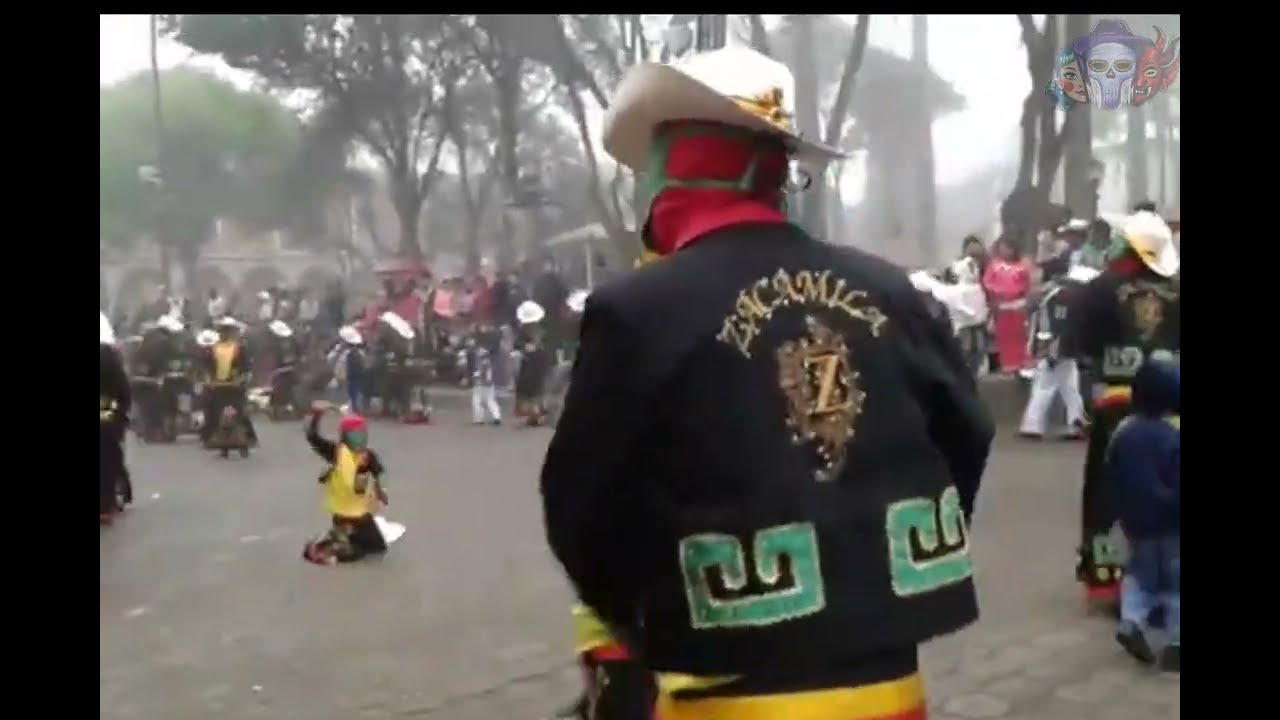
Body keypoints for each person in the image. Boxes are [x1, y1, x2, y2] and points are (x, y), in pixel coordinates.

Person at [541, 45, 993, 720]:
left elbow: (583, 505)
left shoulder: (639, 309)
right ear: (777, 176)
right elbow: (968, 431)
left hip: (724, 690)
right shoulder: (888, 289)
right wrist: (882, 554)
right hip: (890, 683)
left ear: (674, 175)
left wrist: (644, 615)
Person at [1061, 210, 1179, 611]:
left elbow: (1080, 342)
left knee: (1107, 488)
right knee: (1169, 486)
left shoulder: (1098, 289)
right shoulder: (1177, 289)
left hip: (1116, 403)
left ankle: (1108, 576)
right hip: (1171, 406)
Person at [1108, 358, 1179, 672]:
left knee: (1139, 578)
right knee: (1174, 584)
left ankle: (1131, 621)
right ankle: (1176, 644)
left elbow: (1110, 478)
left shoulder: (1122, 434)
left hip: (1136, 523)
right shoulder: (1172, 437)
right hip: (1172, 524)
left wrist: (1106, 518)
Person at [300, 403, 391, 565]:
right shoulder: (336, 452)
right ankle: (325, 546)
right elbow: (312, 436)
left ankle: (340, 538)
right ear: (345, 435)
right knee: (356, 554)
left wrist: (380, 492)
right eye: (354, 434)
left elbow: (377, 473)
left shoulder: (367, 455)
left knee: (377, 548)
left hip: (361, 513)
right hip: (343, 514)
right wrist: (316, 416)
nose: (359, 437)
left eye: (362, 433)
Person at [1019, 264, 1095, 439]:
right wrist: (1057, 349)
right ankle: (1033, 425)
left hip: (1052, 346)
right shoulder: (1065, 297)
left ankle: (1075, 422)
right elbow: (1061, 325)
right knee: (1047, 385)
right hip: (1057, 347)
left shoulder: (1057, 293)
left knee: (1068, 386)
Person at [201, 317, 258, 447]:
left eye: (228, 331)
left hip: (235, 387)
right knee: (211, 410)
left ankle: (250, 437)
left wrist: (241, 380)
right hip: (217, 386)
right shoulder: (212, 349)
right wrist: (208, 380)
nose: (225, 334)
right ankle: (208, 437)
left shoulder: (240, 349)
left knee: (241, 411)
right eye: (222, 331)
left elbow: (247, 369)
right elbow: (206, 368)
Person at [982, 236, 1032, 374]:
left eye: (1008, 248)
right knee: (1004, 336)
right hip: (1001, 306)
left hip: (1018, 306)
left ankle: (1022, 362)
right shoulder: (994, 265)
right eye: (1002, 248)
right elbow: (987, 282)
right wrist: (996, 292)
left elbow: (1027, 285)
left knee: (1019, 335)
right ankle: (1008, 364)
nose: (1005, 251)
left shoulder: (1022, 265)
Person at [101, 313, 133, 525]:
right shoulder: (108, 357)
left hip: (106, 418)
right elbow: (123, 391)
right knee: (108, 459)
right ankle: (106, 504)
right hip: (108, 418)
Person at [945, 235, 991, 376]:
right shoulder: (956, 268)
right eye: (971, 252)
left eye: (977, 253)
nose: (974, 256)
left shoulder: (986, 268)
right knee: (965, 349)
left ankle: (973, 375)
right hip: (963, 319)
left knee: (980, 348)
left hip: (981, 316)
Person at [469, 347, 502, 426]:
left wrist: (474, 377)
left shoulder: (481, 364)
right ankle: (496, 416)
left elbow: (479, 374)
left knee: (476, 401)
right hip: (489, 385)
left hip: (480, 384)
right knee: (491, 401)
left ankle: (479, 419)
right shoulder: (490, 363)